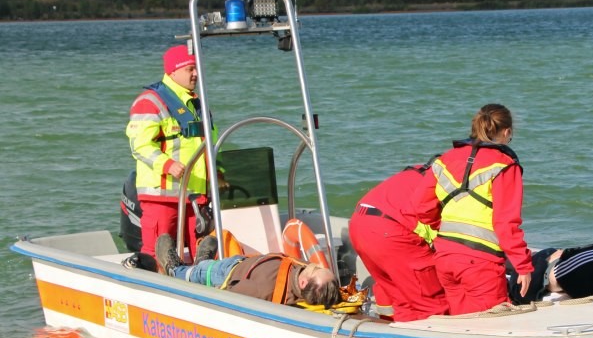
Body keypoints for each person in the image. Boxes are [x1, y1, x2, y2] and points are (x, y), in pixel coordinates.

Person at [420, 103, 533, 315]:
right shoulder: (504, 165)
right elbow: (505, 222)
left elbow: (422, 209)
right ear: (507, 132)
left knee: (461, 324)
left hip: (445, 257)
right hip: (480, 263)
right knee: (492, 327)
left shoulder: (444, 160)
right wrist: (523, 266)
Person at [126, 44, 213, 259]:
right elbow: (140, 145)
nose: (195, 74)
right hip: (162, 196)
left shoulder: (197, 105)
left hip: (196, 196)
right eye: (189, 69)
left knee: (205, 254)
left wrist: (217, 172)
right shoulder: (149, 102)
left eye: (196, 69)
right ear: (172, 71)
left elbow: (210, 145)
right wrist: (167, 165)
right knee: (157, 254)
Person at [349, 157, 450, 321]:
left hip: (359, 223)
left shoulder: (417, 173)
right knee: (433, 303)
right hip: (390, 232)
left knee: (402, 300)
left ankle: (400, 336)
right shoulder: (446, 186)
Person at [155, 234, 341, 307]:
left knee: (199, 273)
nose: (314, 265)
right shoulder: (300, 276)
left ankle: (175, 269)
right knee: (208, 266)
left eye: (316, 269)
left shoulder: (265, 289)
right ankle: (202, 261)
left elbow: (229, 292)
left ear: (303, 283)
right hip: (245, 263)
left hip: (226, 273)